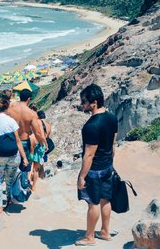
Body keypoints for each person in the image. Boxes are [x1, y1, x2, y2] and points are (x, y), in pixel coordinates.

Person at [75, 84, 118, 246]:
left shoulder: (91, 126)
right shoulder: (112, 117)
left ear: (94, 102)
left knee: (93, 203)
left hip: (94, 170)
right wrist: (110, 162)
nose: (82, 104)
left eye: (84, 101)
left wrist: (82, 177)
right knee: (105, 200)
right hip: (107, 166)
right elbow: (113, 143)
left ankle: (89, 237)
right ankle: (105, 232)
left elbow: (89, 155)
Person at [0, 99, 28, 214]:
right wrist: (24, 157)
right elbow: (18, 141)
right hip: (12, 155)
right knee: (10, 179)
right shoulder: (11, 121)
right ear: (7, 108)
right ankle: (9, 199)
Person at [7, 89, 45, 171]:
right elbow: (37, 132)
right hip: (24, 142)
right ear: (29, 99)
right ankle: (24, 183)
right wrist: (42, 143)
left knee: (13, 167)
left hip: (12, 141)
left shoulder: (9, 111)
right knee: (25, 167)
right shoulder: (32, 114)